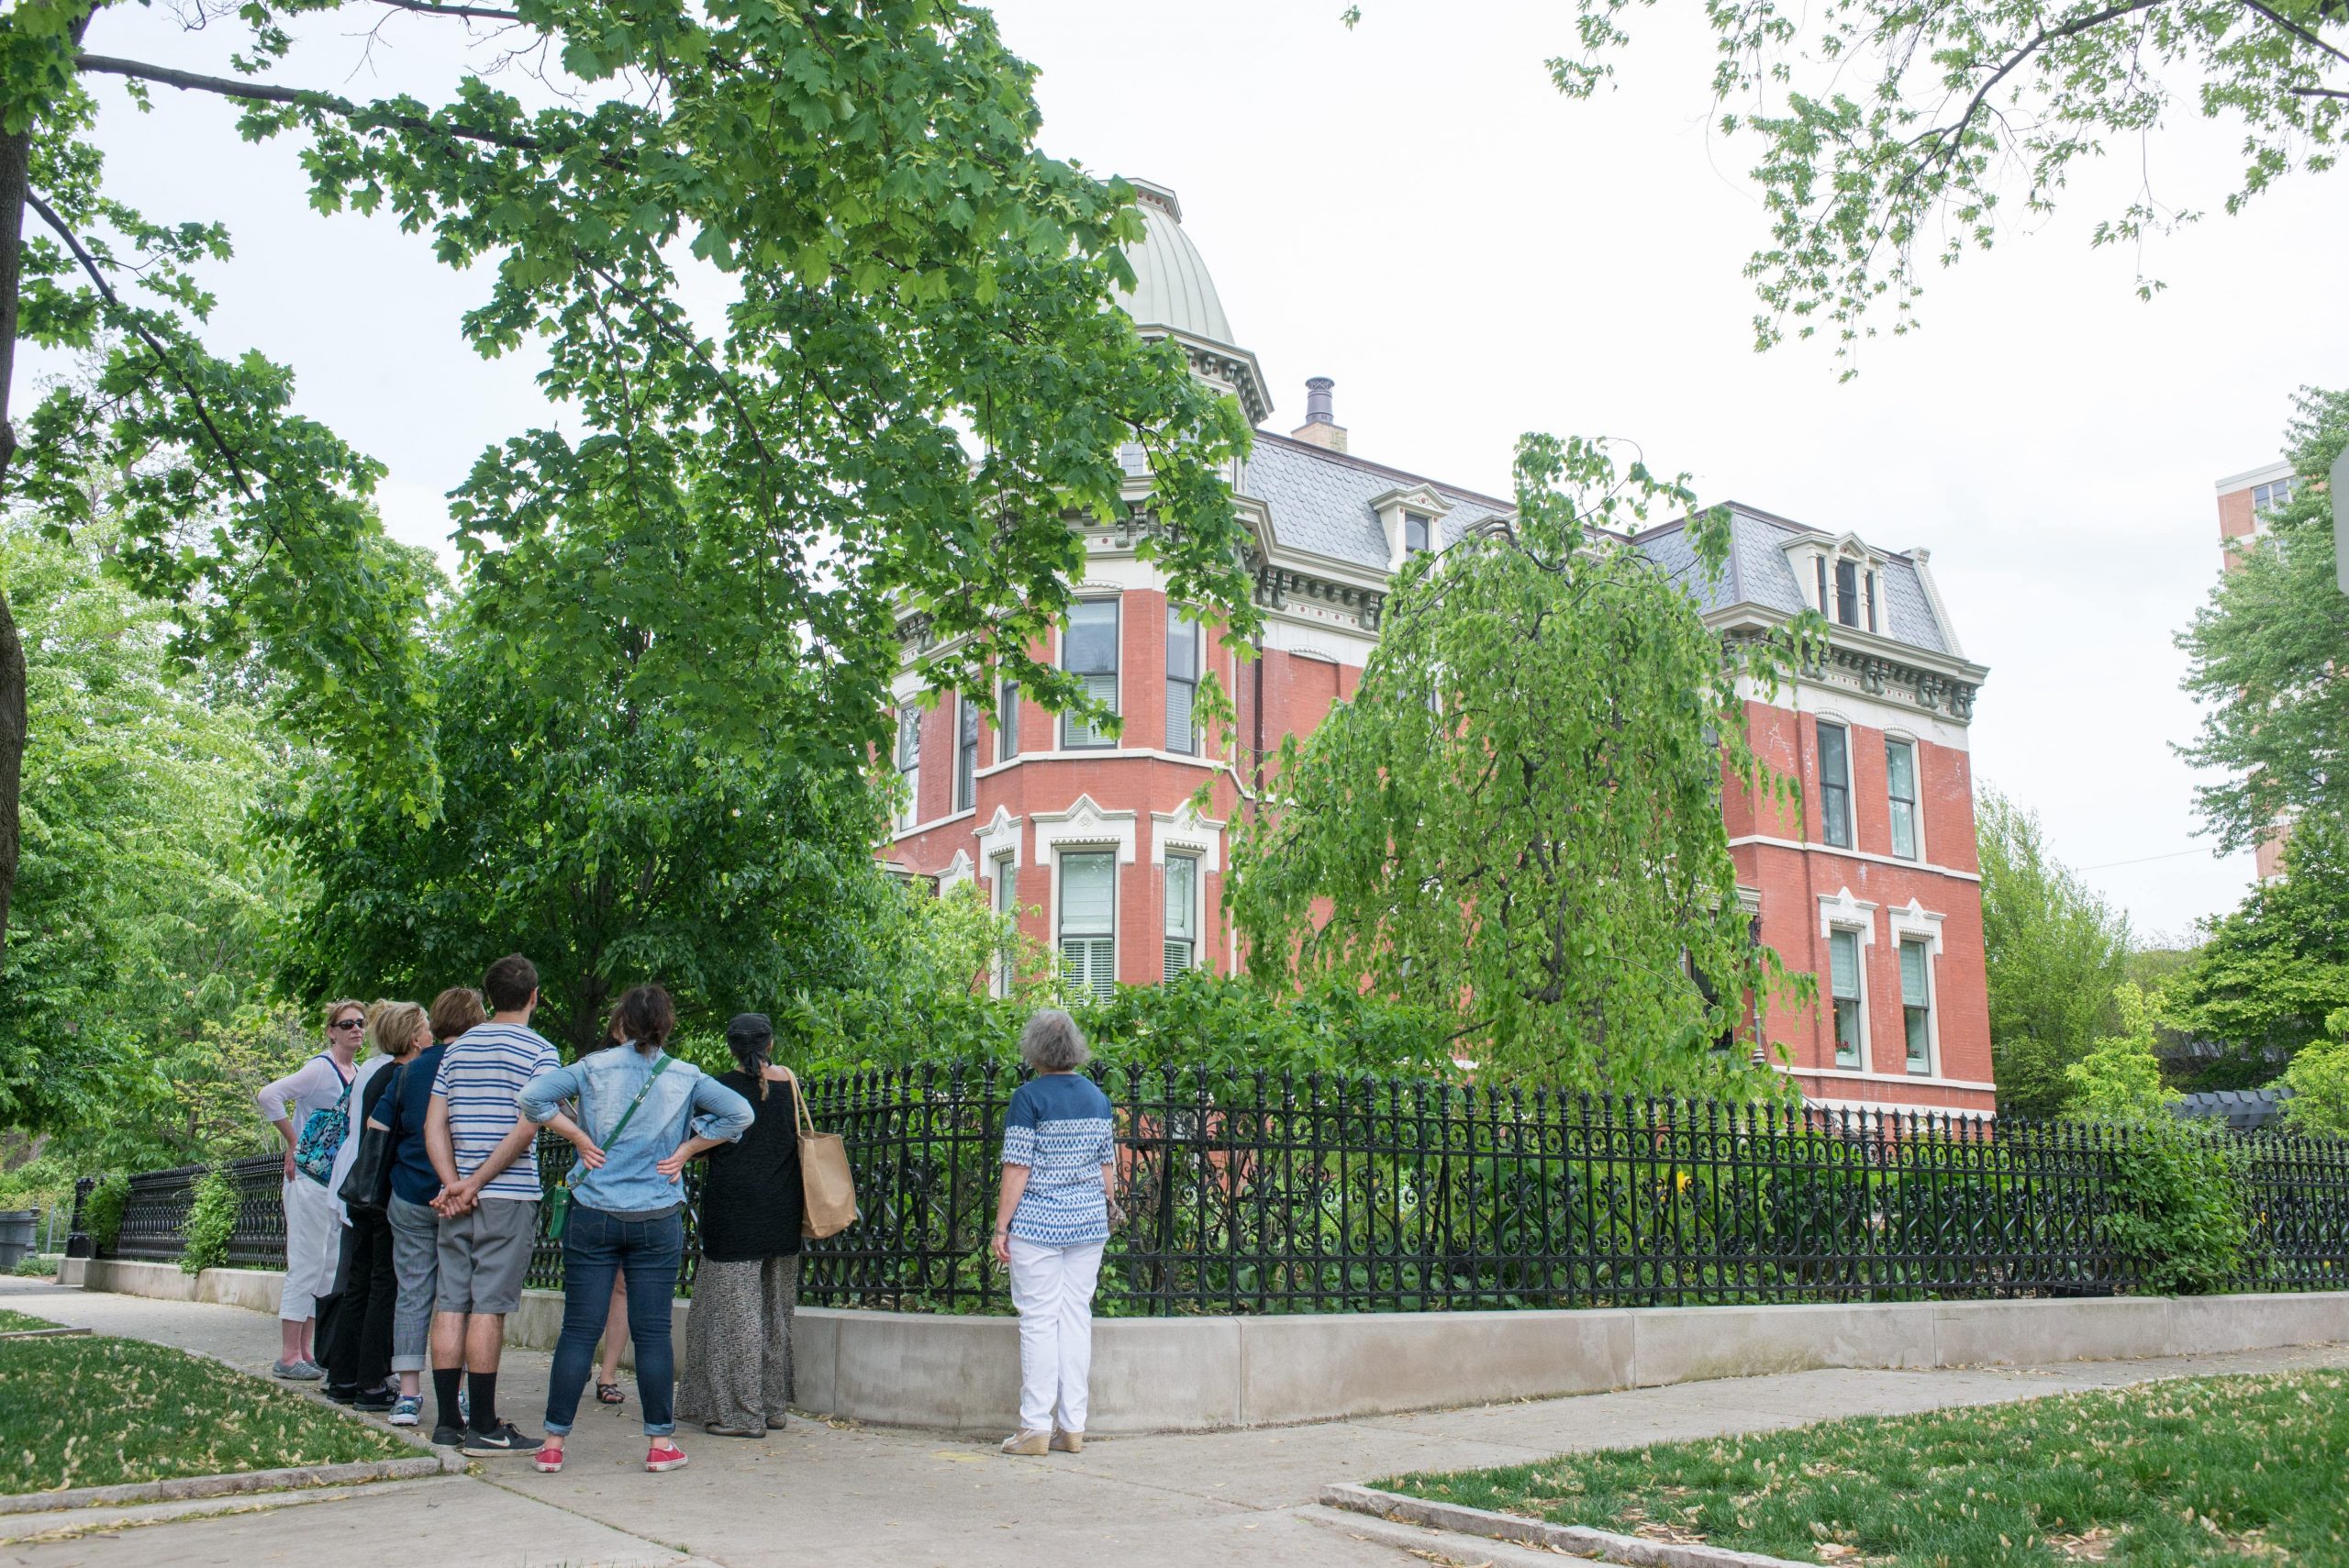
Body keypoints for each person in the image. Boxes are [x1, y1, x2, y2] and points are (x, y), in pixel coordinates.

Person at [520, 984, 752, 1475]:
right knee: (652, 1334)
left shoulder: (592, 1067)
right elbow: (740, 1114)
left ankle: (553, 1444)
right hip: (656, 1216)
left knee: (579, 1330)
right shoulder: (686, 1077)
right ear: (665, 1026)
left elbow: (533, 1098)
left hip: (593, 1211)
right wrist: (688, 1150)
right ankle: (659, 1445)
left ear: (621, 1022)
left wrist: (579, 1137)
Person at [425, 954, 574, 1456]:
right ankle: (484, 1425)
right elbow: (529, 1124)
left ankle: (447, 1421)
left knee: (451, 1301)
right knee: (489, 1306)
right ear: (534, 996)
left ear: (489, 999)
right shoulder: (541, 1052)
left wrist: (453, 1184)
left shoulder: (456, 1050)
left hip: (456, 1198)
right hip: (507, 1195)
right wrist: (479, 1182)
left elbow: (434, 1125)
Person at [991, 1008, 1118, 1457]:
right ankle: (1073, 1427)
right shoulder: (1097, 1099)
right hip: (1087, 1223)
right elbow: (1108, 1165)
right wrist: (1110, 1205)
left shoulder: (1028, 1099)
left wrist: (1001, 1226)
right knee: (1076, 1318)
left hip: (1038, 1224)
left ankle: (1034, 1427)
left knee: (1039, 1321)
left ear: (1035, 1050)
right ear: (1074, 1050)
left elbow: (1017, 1166)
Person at [676, 1012, 804, 1437]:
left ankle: (739, 1414)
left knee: (734, 1314)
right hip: (783, 1208)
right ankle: (771, 1407)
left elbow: (693, 1147)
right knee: (774, 1311)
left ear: (730, 1046)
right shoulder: (790, 1081)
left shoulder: (717, 1088)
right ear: (770, 1043)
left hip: (733, 1211)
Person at [375, 986, 480, 1428]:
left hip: (411, 1192)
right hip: (462, 1196)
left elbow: (376, 1124)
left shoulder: (411, 1071)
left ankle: (409, 1394)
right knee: (459, 1298)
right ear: (475, 1021)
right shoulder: (476, 1066)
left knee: (413, 1292)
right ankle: (457, 1392)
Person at [319, 1001, 429, 1409]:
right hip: (383, 1194)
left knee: (359, 1284)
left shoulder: (375, 1073)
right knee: (384, 1286)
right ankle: (370, 1383)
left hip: (363, 1193)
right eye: (426, 1028)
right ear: (413, 1036)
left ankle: (344, 1378)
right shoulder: (399, 1075)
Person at [258, 998, 367, 1378]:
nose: (356, 1029)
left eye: (360, 1023)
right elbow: (268, 1095)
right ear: (332, 1031)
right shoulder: (320, 1069)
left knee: (324, 1266)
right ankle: (288, 1355)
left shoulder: (356, 1072)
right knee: (305, 1262)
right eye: (347, 1023)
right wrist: (293, 1141)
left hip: (332, 1182)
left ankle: (305, 1351)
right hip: (307, 1178)